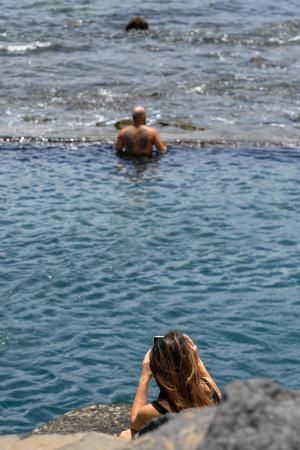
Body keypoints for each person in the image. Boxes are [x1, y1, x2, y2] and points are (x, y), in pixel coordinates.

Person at [119, 330, 222, 440]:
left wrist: (144, 377)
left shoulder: (157, 410)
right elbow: (205, 377)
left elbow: (135, 423)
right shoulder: (210, 388)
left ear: (158, 369)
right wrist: (196, 359)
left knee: (126, 436)